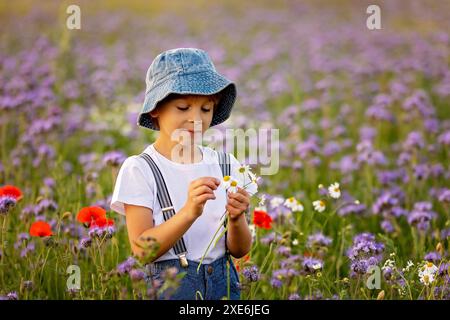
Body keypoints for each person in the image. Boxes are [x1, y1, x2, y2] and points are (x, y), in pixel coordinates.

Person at [110, 48, 252, 300]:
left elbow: (239, 250)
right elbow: (142, 251)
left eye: (206, 109)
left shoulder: (227, 165)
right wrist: (188, 213)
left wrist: (237, 218)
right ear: (155, 109)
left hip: (224, 284)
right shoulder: (141, 169)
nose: (196, 119)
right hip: (173, 287)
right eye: (183, 107)